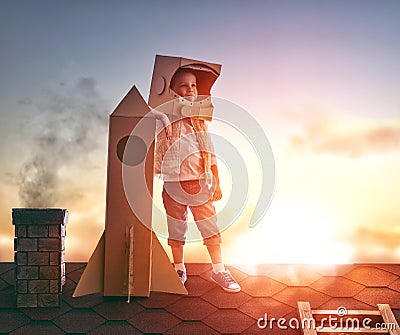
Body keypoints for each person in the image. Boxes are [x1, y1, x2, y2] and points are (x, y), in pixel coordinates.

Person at [154, 68, 240, 292]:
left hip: (199, 183)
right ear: (172, 91)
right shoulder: (165, 119)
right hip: (173, 184)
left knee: (210, 228)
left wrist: (217, 181)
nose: (190, 89)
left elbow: (209, 152)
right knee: (176, 228)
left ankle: (219, 270)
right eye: (183, 85)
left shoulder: (200, 122)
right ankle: (179, 268)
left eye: (193, 85)